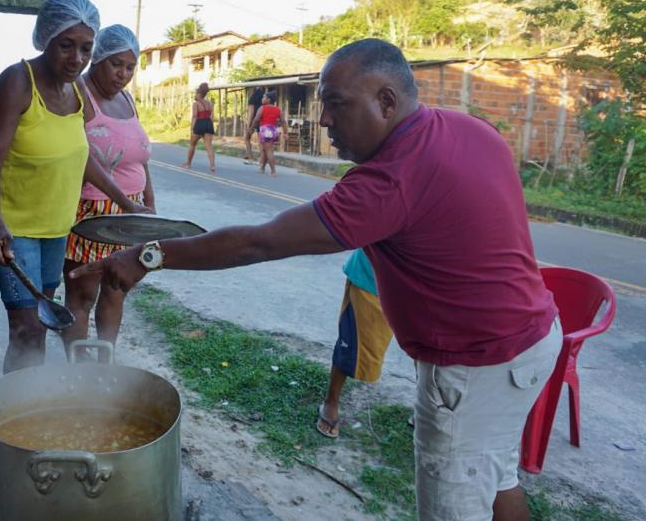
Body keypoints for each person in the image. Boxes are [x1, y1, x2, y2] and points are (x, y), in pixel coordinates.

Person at [72, 38, 561, 521]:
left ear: (386, 101)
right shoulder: (467, 127)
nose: (324, 120)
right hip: (531, 339)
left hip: (475, 364)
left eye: (336, 104)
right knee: (496, 477)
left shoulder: (390, 179)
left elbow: (260, 242)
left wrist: (149, 256)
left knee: (457, 506)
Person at [0, 0, 150, 373]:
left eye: (86, 48)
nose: (77, 59)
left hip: (57, 230)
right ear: (46, 38)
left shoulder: (77, 91)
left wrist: (126, 202)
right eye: (66, 46)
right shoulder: (18, 82)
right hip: (15, 229)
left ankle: (32, 401)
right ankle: (17, 404)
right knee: (26, 331)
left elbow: (81, 156)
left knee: (41, 324)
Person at [62, 25, 155, 355]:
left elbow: (140, 158)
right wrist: (125, 203)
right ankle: (78, 366)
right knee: (82, 294)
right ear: (97, 58)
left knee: (117, 288)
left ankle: (104, 363)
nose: (123, 74)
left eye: (130, 67)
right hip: (92, 210)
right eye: (116, 64)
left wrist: (149, 204)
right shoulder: (79, 92)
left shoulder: (127, 99)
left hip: (130, 212)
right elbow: (80, 156)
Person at [316, 248, 393, 438]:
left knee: (430, 353)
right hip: (373, 279)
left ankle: (426, 410)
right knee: (351, 345)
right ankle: (331, 402)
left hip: (426, 282)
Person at [181, 82, 216, 172]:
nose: (195, 95)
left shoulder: (196, 104)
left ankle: (188, 163)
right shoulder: (209, 103)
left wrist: (192, 128)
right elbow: (212, 116)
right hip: (208, 123)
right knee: (209, 146)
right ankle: (212, 166)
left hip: (199, 123)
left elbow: (194, 116)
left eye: (196, 93)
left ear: (199, 94)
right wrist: (210, 125)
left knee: (192, 144)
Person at [252, 91, 286, 176]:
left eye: (264, 97)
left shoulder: (262, 108)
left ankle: (273, 171)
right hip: (274, 130)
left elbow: (256, 119)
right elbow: (283, 121)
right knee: (265, 149)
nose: (262, 99)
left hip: (265, 130)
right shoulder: (278, 109)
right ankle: (262, 168)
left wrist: (251, 128)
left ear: (268, 100)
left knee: (269, 150)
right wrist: (286, 132)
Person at [243, 85, 265, 163]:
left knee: (247, 138)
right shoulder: (264, 99)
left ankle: (251, 157)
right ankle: (261, 159)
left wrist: (249, 125)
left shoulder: (252, 99)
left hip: (254, 121)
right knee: (261, 141)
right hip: (262, 120)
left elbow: (251, 113)